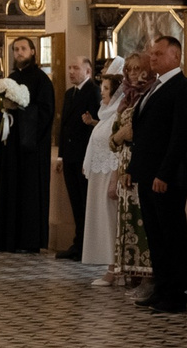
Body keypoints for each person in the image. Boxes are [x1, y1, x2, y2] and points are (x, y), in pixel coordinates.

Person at [129, 33, 187, 315]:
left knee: (171, 235)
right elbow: (144, 133)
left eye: (158, 53)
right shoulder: (154, 87)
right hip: (147, 174)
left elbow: (179, 136)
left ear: (176, 56)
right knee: (155, 235)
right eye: (152, 53)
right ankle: (161, 289)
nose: (152, 57)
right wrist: (133, 170)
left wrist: (164, 173)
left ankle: (175, 295)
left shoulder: (183, 89)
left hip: (166, 177)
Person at [0, 35, 55, 253]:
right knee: (8, 189)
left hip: (30, 149)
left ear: (33, 51)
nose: (19, 53)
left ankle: (28, 241)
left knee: (28, 193)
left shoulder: (42, 81)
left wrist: (20, 110)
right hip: (10, 146)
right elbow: (2, 113)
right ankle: (6, 239)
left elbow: (46, 113)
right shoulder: (12, 78)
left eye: (23, 48)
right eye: (16, 49)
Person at [109, 55, 154, 289]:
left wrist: (129, 135)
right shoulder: (126, 100)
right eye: (130, 69)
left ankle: (148, 277)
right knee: (127, 222)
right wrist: (119, 137)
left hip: (141, 165)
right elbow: (113, 141)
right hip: (124, 164)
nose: (134, 74)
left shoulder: (150, 97)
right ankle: (132, 275)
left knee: (143, 223)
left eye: (139, 69)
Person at [81, 60, 124, 280]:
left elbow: (118, 148)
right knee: (101, 220)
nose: (102, 94)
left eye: (106, 90)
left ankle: (114, 269)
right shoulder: (107, 115)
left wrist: (115, 179)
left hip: (110, 175)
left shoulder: (118, 116)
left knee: (110, 222)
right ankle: (109, 265)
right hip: (100, 174)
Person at [57, 58, 101, 259]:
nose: (71, 71)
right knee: (75, 201)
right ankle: (78, 243)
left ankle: (85, 245)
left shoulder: (93, 92)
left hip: (84, 156)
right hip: (70, 156)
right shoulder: (69, 93)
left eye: (76, 68)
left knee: (84, 202)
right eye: (69, 67)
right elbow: (64, 126)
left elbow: (96, 124)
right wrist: (60, 156)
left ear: (88, 71)